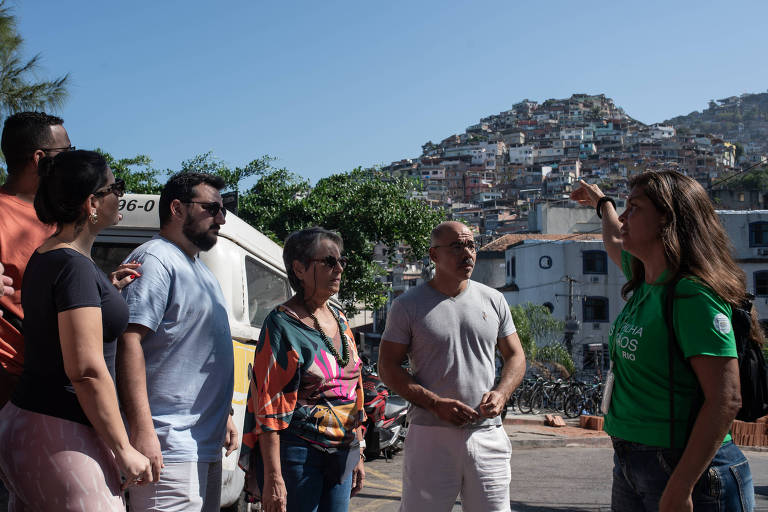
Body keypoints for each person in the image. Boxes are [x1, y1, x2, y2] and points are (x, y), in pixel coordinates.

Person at [571, 171, 758, 511]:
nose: (625, 218)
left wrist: (681, 486)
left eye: (635, 208)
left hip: (686, 470)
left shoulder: (692, 296)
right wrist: (603, 204)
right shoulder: (646, 280)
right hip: (630, 461)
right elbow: (614, 239)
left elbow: (726, 399)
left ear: (667, 220)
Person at [0, 150, 152, 509]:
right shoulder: (74, 268)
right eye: (117, 187)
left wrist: (104, 291)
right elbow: (85, 370)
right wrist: (124, 448)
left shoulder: (48, 255)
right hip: (61, 432)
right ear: (92, 203)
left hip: (30, 424)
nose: (122, 195)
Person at [378, 221, 527, 512]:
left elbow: (516, 356)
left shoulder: (494, 300)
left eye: (471, 245)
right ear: (434, 255)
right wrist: (434, 403)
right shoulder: (408, 305)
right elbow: (387, 367)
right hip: (430, 435)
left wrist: (501, 393)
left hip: (487, 433)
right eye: (457, 246)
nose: (468, 253)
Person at [0, 112, 139, 409]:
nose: (72, 159)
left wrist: (99, 287)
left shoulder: (57, 216)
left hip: (53, 384)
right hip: (10, 379)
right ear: (40, 158)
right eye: (67, 151)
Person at [117, 172, 238, 511]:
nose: (222, 217)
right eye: (212, 208)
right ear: (177, 208)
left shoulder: (199, 270)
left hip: (203, 446)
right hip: (168, 448)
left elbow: (193, 354)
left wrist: (224, 415)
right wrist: (142, 431)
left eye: (223, 208)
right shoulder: (155, 259)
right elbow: (130, 342)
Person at [240, 227, 366, 512]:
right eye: (329, 262)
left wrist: (357, 450)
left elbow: (354, 391)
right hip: (297, 454)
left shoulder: (341, 319)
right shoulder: (282, 324)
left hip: (342, 451)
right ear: (299, 268)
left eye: (341, 261)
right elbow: (269, 409)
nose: (339, 269)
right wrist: (273, 477)